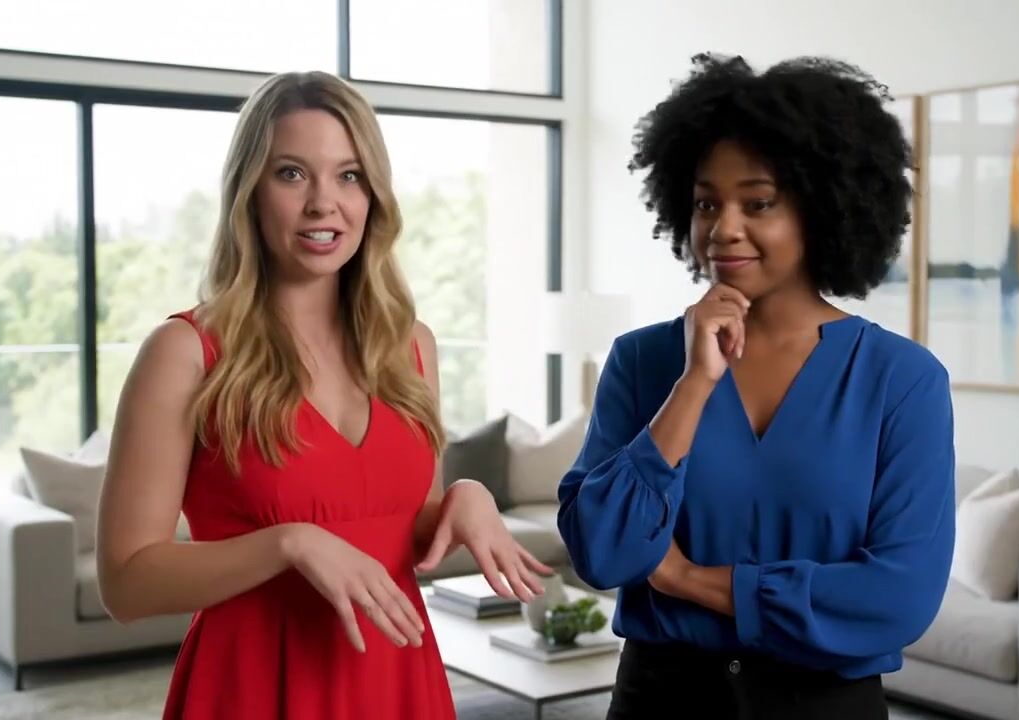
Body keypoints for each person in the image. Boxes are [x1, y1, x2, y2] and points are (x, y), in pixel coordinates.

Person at [96, 70, 551, 720]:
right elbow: (126, 584)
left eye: (349, 176)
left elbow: (397, 528)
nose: (323, 203)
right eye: (291, 174)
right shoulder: (185, 352)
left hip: (396, 683)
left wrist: (464, 499)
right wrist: (288, 544)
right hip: (253, 689)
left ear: (374, 196)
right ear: (250, 191)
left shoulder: (410, 347)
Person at [557, 54, 955, 720]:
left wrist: (688, 579)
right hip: (661, 703)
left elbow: (900, 599)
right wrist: (693, 384)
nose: (723, 228)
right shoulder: (642, 361)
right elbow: (602, 552)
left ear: (821, 209)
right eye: (706, 203)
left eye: (758, 202)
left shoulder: (902, 380)